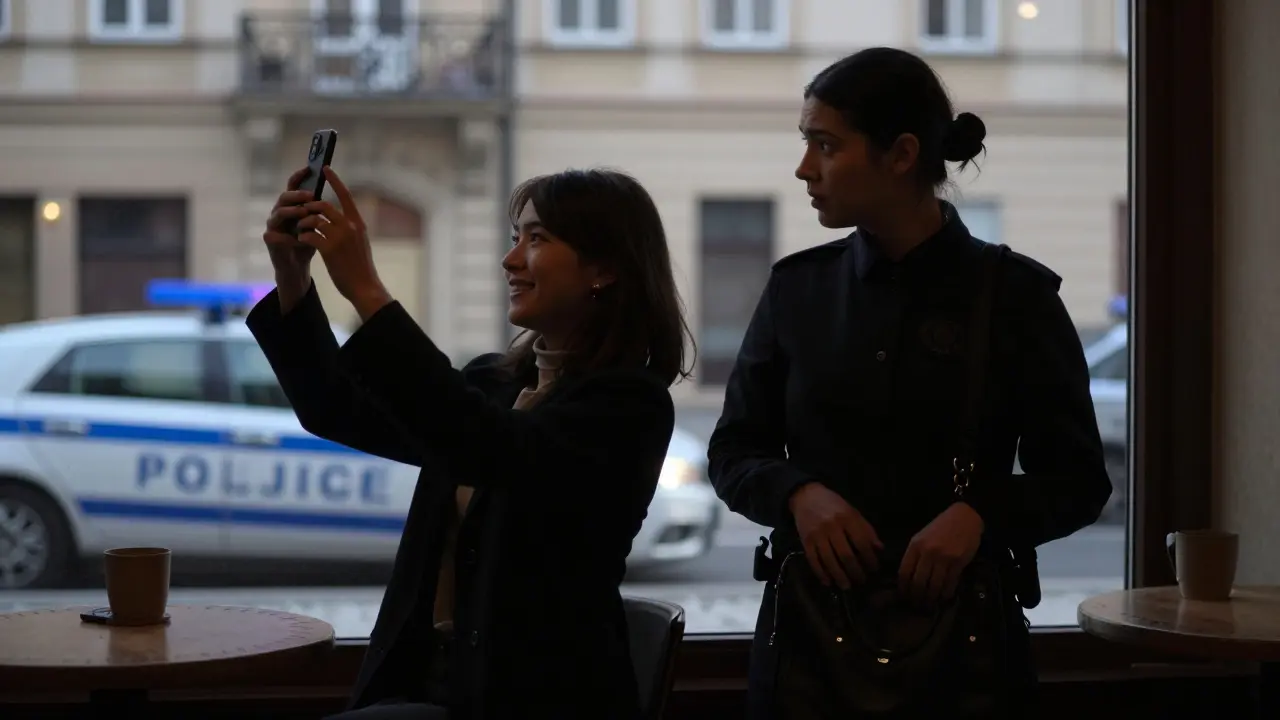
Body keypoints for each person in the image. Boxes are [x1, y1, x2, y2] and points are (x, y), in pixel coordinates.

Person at [707, 47, 1113, 718]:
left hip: (966, 659)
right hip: (810, 653)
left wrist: (980, 515)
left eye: (826, 145)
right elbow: (733, 452)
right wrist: (798, 494)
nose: (805, 168)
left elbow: (1077, 480)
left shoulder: (1017, 296)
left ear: (900, 155)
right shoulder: (796, 290)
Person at [249, 165, 694, 719]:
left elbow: (489, 445)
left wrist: (365, 287)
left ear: (603, 269)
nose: (511, 261)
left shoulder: (629, 406)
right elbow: (337, 409)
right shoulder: (496, 383)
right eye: (516, 239)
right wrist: (293, 278)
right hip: (429, 685)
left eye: (537, 240)